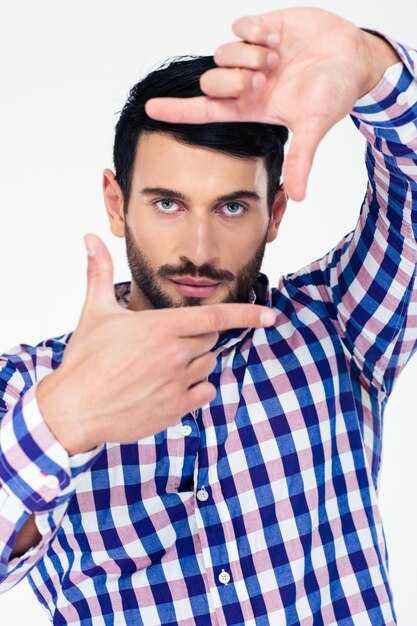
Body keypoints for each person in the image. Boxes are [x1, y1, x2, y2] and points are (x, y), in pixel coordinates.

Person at [0, 6, 415, 625]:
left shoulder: (338, 324)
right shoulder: (26, 388)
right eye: (167, 202)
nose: (198, 246)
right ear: (116, 204)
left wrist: (370, 66)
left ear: (275, 213)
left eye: (231, 208)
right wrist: (64, 417)